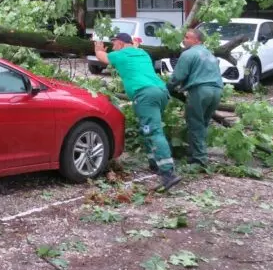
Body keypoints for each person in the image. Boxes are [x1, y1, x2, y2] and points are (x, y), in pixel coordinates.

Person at [94, 33, 181, 191]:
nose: (113, 48)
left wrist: (98, 49)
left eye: (114, 45)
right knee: (146, 128)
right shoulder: (142, 53)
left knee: (153, 130)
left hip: (145, 95)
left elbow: (102, 57)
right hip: (161, 92)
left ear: (120, 44)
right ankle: (154, 164)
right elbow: (134, 48)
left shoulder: (120, 55)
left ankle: (168, 173)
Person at [166, 28, 223, 169]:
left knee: (195, 123)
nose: (184, 40)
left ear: (196, 40)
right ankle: (194, 153)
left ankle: (200, 159)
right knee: (203, 123)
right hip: (216, 91)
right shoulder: (209, 54)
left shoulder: (188, 54)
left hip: (200, 91)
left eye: (187, 37)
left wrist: (166, 88)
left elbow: (178, 76)